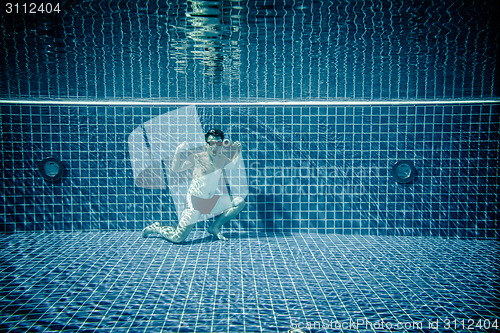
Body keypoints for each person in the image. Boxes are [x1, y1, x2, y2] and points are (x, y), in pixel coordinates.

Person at [142, 129, 246, 243]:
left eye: (218, 142)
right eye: (211, 143)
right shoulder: (198, 157)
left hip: (210, 201)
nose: (214, 146)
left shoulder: (221, 159)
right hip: (194, 202)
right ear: (206, 144)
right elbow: (176, 168)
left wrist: (237, 150)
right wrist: (178, 151)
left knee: (239, 202)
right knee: (177, 238)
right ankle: (157, 227)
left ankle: (214, 227)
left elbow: (233, 166)